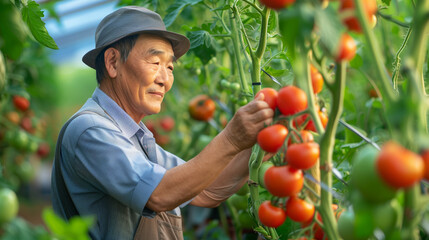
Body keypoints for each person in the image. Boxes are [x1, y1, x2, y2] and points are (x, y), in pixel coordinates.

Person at [51, 6, 274, 240]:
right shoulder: (90, 130)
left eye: (169, 67)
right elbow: (160, 194)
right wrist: (231, 139)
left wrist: (258, 147)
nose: (165, 80)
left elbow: (205, 190)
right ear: (113, 63)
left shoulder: (134, 137)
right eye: (155, 62)